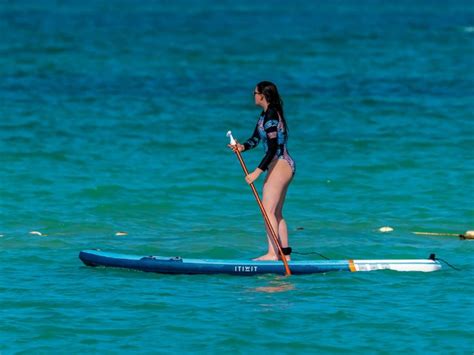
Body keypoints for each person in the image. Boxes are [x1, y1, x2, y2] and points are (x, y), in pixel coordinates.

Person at [229, 81, 295, 261]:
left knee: (267, 211)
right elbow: (256, 138)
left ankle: (273, 254)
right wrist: (242, 147)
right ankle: (285, 256)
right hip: (280, 164)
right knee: (276, 212)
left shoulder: (272, 115)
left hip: (280, 163)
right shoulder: (264, 115)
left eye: (255, 92)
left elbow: (273, 148)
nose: (253, 95)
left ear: (262, 95)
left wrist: (257, 172)